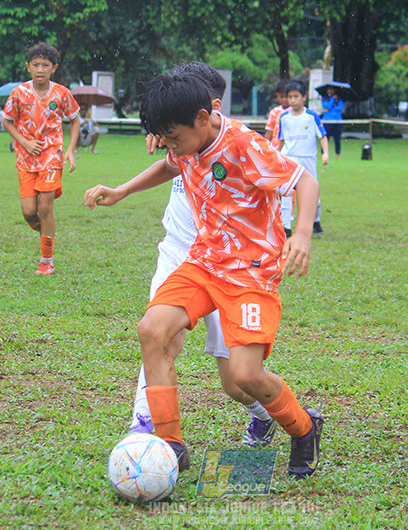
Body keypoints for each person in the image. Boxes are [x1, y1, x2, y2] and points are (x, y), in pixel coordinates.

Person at [84, 70, 325, 479]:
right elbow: (170, 164)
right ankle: (171, 445)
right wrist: (123, 190)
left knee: (244, 377)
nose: (171, 146)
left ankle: (304, 427)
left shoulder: (245, 146)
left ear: (201, 118)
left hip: (250, 272)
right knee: (152, 329)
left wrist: (300, 234)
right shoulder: (185, 140)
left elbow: (306, 182)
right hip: (204, 261)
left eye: (174, 136)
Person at [127, 62, 277, 449]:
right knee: (159, 335)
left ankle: (266, 414)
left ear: (212, 108)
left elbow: (279, 186)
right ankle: (146, 430)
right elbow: (167, 160)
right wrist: (154, 136)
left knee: (235, 381)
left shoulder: (237, 145)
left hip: (232, 264)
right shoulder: (178, 137)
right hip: (182, 252)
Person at [1, 43, 80, 276]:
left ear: (53, 68)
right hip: (26, 159)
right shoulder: (19, 93)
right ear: (28, 67)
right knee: (29, 212)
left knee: (45, 207)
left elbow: (75, 120)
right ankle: (48, 232)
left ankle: (47, 261)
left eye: (45, 65)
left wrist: (70, 150)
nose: (40, 69)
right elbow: (7, 120)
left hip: (52, 156)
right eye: (35, 65)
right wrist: (24, 142)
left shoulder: (62, 93)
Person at [278, 80, 329, 236]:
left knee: (312, 193)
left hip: (308, 159)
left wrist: (325, 153)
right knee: (286, 192)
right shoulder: (284, 117)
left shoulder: (312, 117)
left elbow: (323, 136)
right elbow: (281, 139)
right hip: (289, 159)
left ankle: (315, 221)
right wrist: (276, 156)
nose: (292, 100)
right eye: (290, 97)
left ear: (304, 97)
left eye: (296, 96)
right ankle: (286, 228)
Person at [321, 86, 345, 159]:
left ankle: (338, 154)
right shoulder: (325, 98)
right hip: (327, 121)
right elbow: (327, 106)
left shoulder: (339, 99)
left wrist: (331, 109)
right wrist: (332, 99)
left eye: (332, 90)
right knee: (326, 138)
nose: (330, 91)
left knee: (337, 139)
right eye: (329, 89)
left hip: (337, 121)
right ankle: (324, 154)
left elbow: (340, 108)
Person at [263, 80, 290, 147]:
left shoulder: (294, 112)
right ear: (277, 96)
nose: (284, 99)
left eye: (286, 97)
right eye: (281, 97)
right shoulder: (274, 112)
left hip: (289, 148)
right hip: (276, 148)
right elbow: (269, 131)